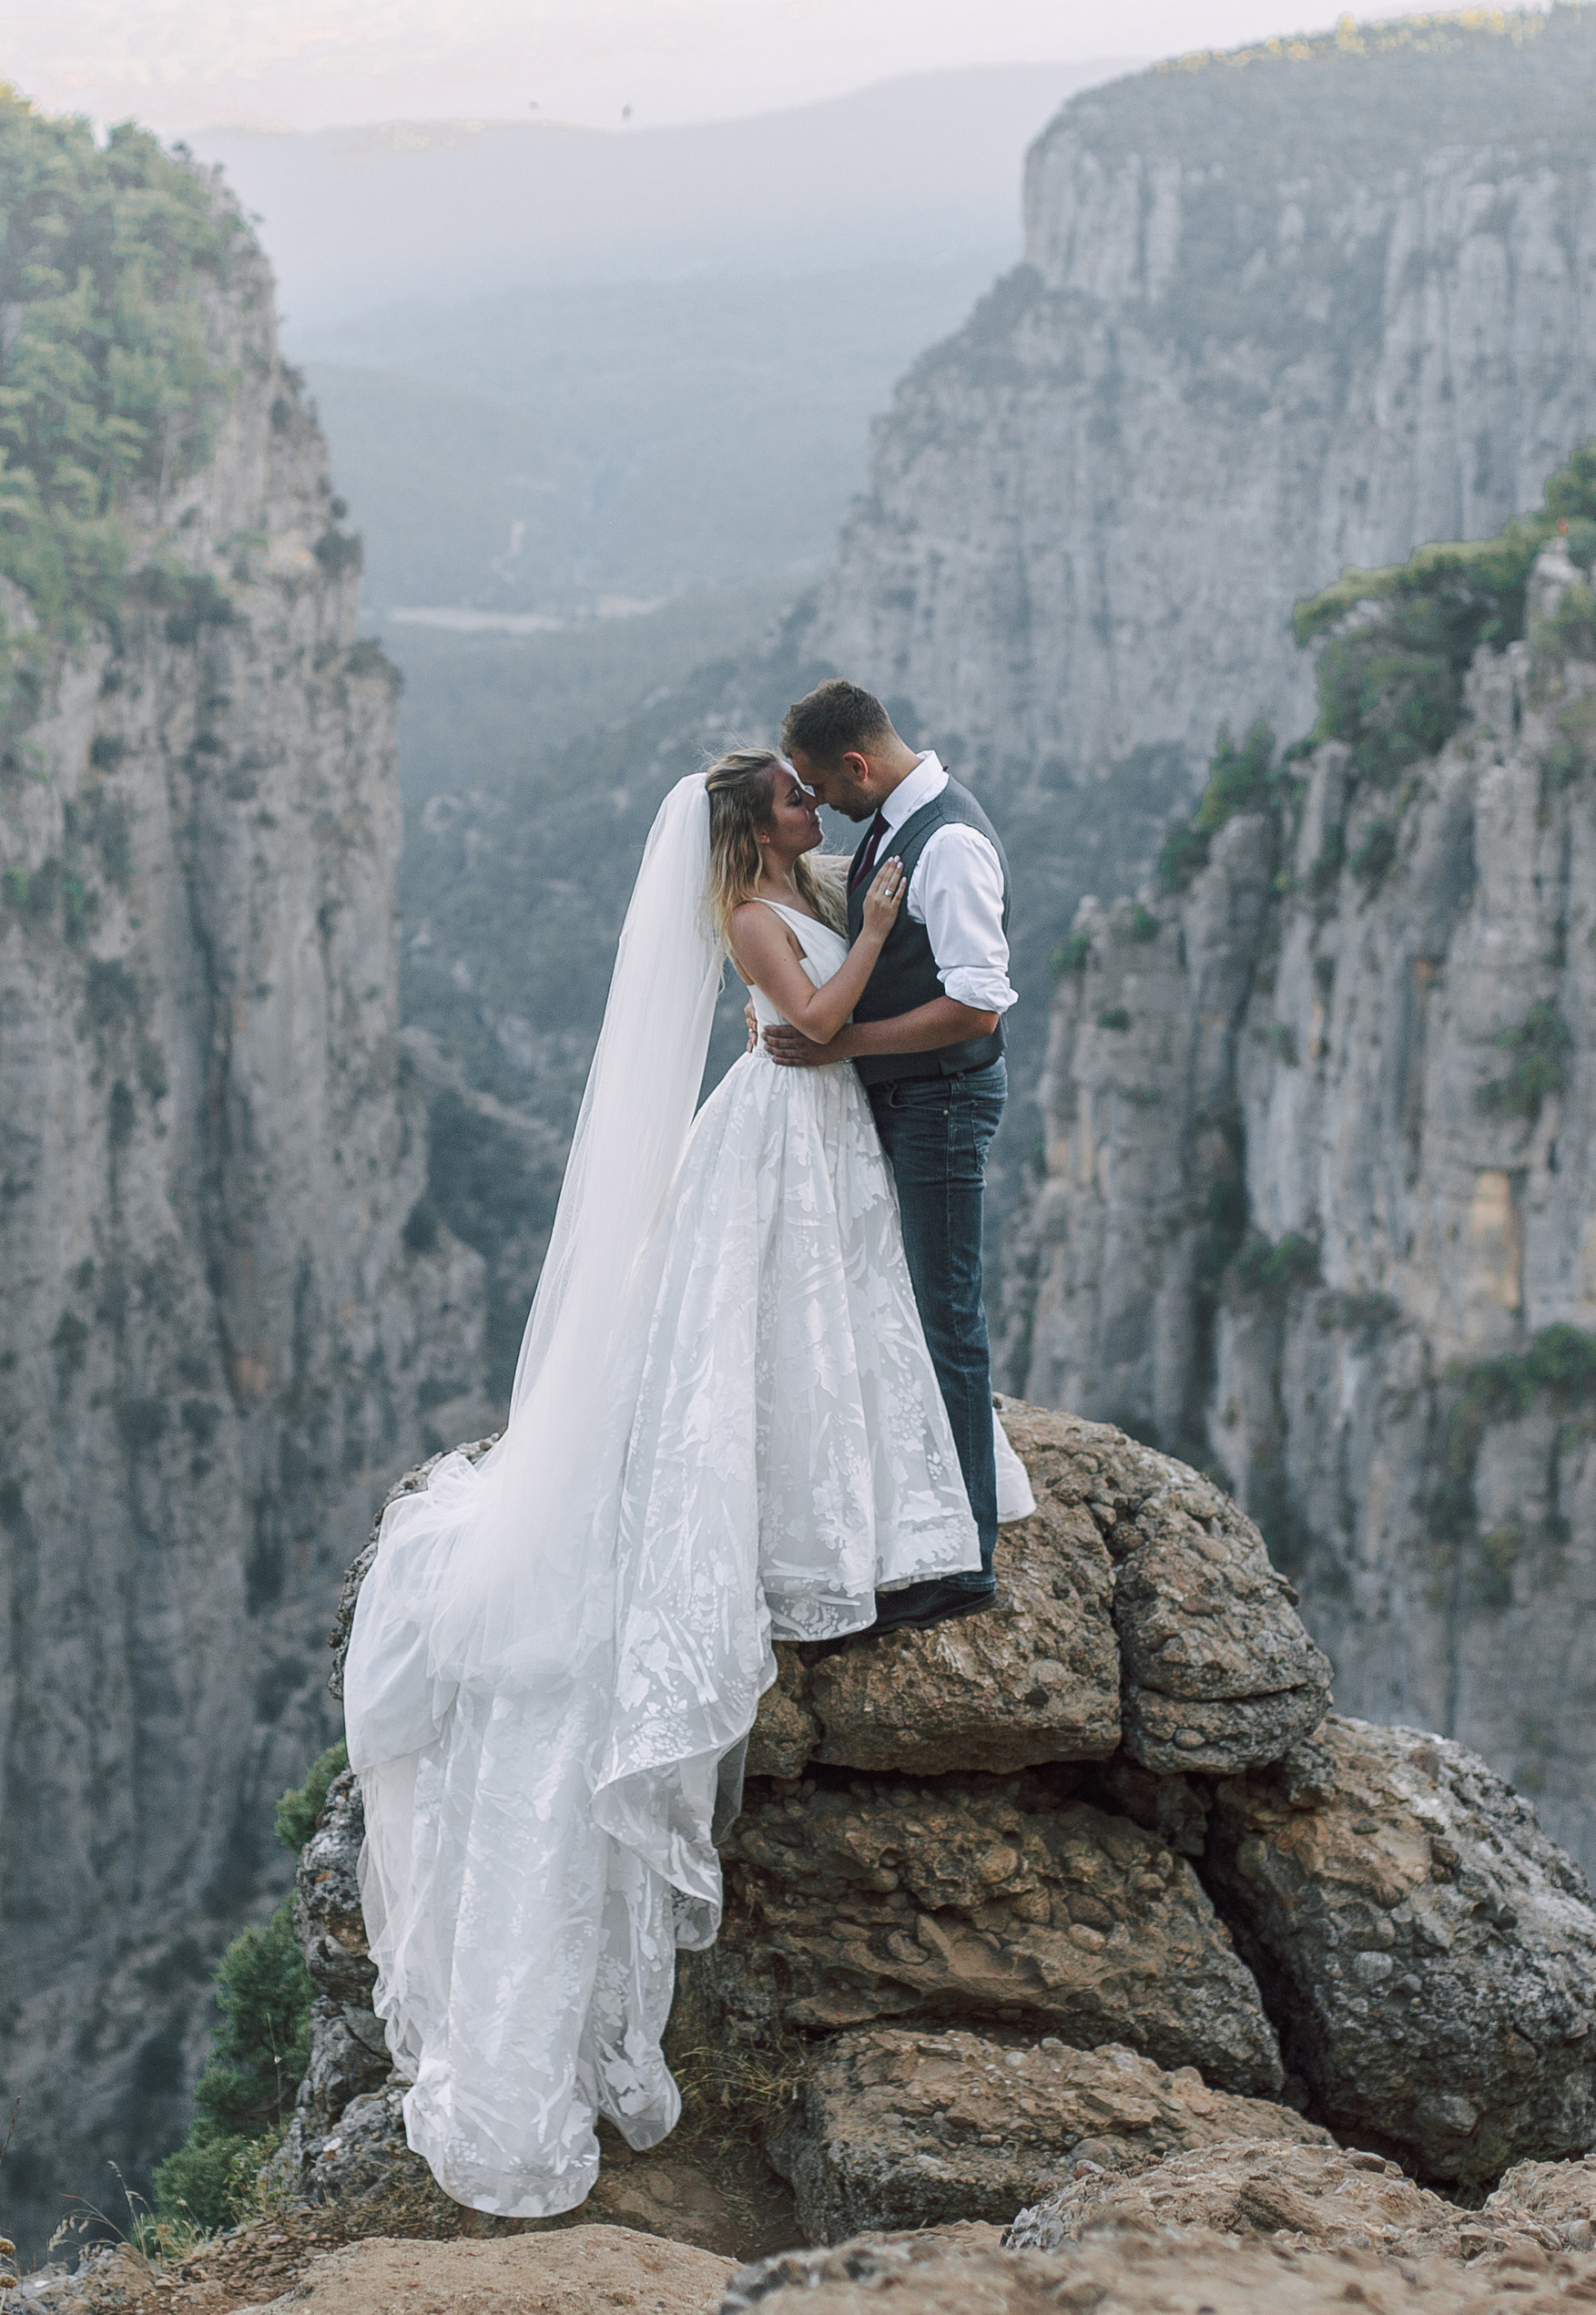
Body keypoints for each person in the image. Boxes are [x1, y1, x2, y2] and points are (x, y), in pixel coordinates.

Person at [342, 751, 1032, 2218]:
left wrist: (891, 883)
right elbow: (817, 1024)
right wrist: (877, 933)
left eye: (811, 793)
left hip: (818, 1135)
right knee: (750, 1336)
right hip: (787, 1120)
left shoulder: (808, 883)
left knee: (832, 1315)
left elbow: (873, 929)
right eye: (793, 802)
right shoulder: (757, 918)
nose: (813, 814)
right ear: (750, 831)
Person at [767, 680, 1014, 1634]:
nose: (820, 802)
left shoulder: (944, 842)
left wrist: (841, 1047)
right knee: (906, 1304)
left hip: (940, 1101)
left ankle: (965, 1561)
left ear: (858, 766)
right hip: (909, 1099)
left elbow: (977, 1002)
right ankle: (927, 1522)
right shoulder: (895, 823)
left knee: (943, 1312)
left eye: (824, 787)